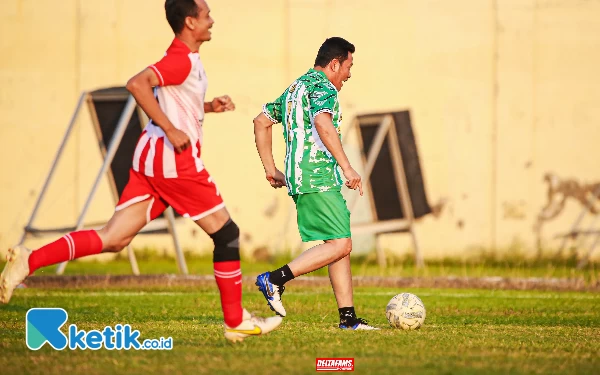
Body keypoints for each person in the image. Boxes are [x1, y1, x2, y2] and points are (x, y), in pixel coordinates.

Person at [0, 0, 281, 343]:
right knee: (226, 234)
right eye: (206, 15)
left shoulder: (185, 59)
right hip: (173, 164)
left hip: (151, 158)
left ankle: (29, 260)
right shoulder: (179, 58)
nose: (212, 20)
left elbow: (171, 100)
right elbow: (137, 84)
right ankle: (236, 322)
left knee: (114, 238)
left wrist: (208, 107)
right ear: (190, 22)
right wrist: (172, 130)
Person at [253, 37, 377, 330]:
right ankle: (275, 279)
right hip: (317, 176)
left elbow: (261, 121)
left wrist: (272, 169)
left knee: (337, 241)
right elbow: (323, 122)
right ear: (335, 64)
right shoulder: (323, 88)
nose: (349, 74)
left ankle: (348, 319)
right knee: (341, 244)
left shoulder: (296, 88)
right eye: (348, 66)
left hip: (301, 177)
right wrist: (347, 167)